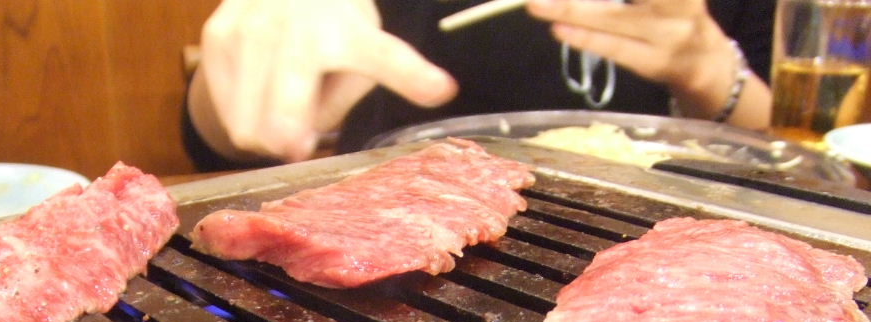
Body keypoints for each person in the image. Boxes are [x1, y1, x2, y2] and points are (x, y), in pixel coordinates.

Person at [184, 0, 775, 169]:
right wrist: (254, 76)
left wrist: (708, 71)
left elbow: (790, 149)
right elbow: (211, 139)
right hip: (393, 265)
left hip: (673, 261)